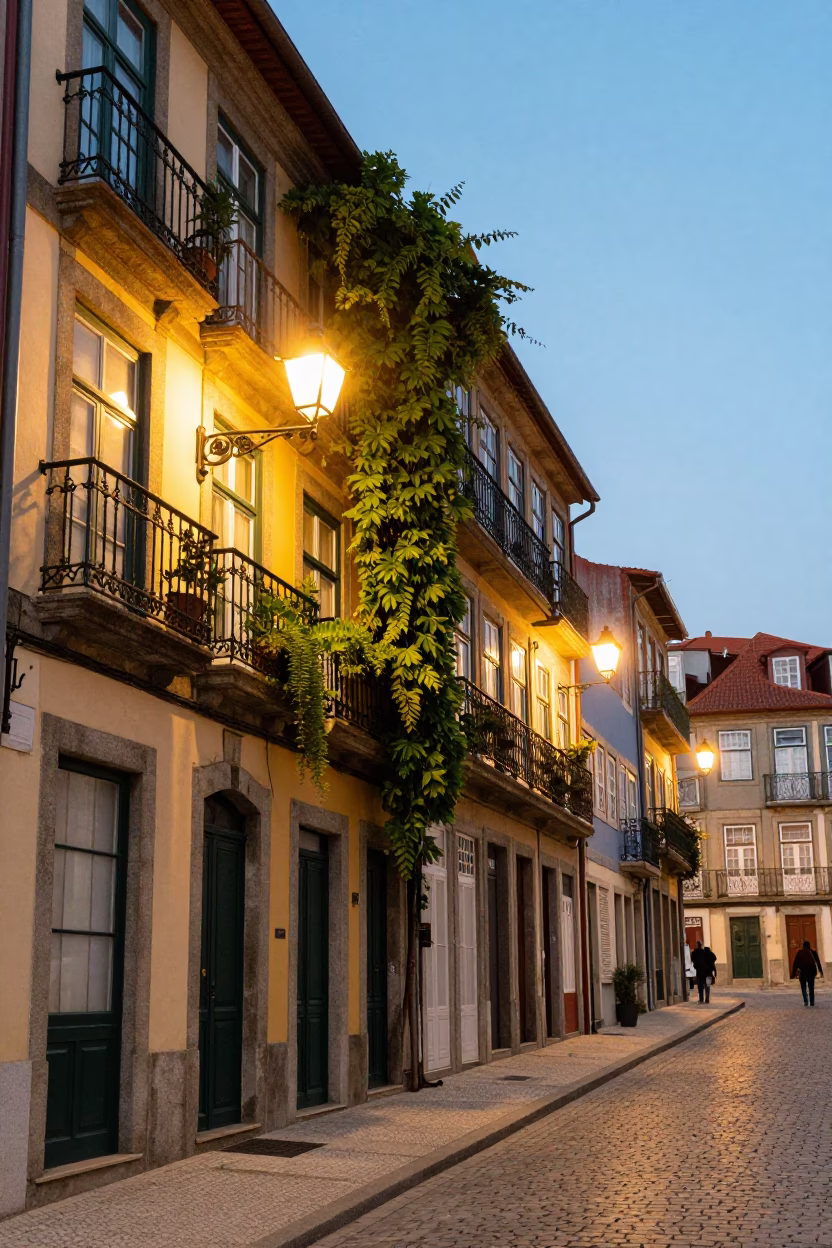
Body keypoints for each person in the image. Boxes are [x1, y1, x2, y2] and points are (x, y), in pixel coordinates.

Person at [790, 939, 823, 1007]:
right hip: (811, 973)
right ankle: (812, 1002)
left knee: (803, 987)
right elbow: (818, 962)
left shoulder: (799, 953)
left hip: (802, 973)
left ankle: (805, 1001)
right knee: (811, 988)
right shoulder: (813, 952)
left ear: (803, 946)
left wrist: (793, 974)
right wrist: (821, 971)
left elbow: (795, 963)